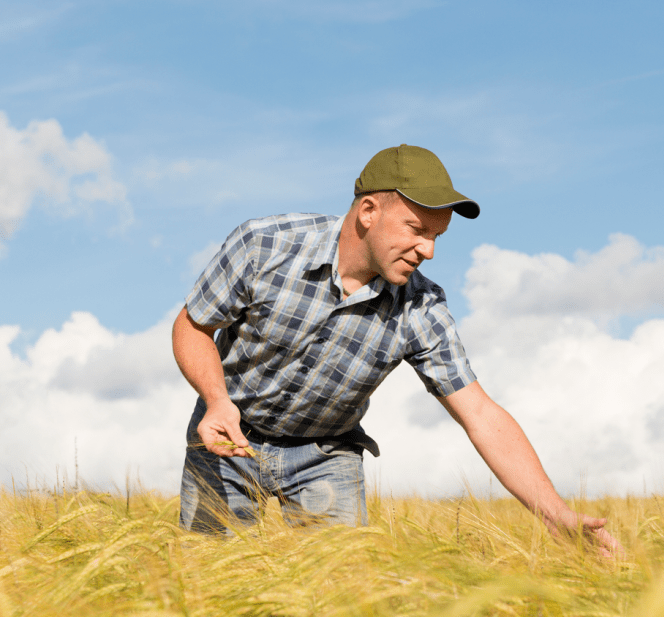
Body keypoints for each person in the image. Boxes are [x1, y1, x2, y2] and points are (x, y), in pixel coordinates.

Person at [172, 144, 619, 553]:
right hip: (228, 438)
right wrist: (216, 402)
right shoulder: (264, 245)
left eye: (436, 237)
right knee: (210, 579)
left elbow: (480, 414)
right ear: (369, 210)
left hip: (326, 455)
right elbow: (193, 327)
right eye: (417, 229)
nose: (427, 250)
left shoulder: (422, 307)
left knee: (346, 595)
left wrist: (555, 514)